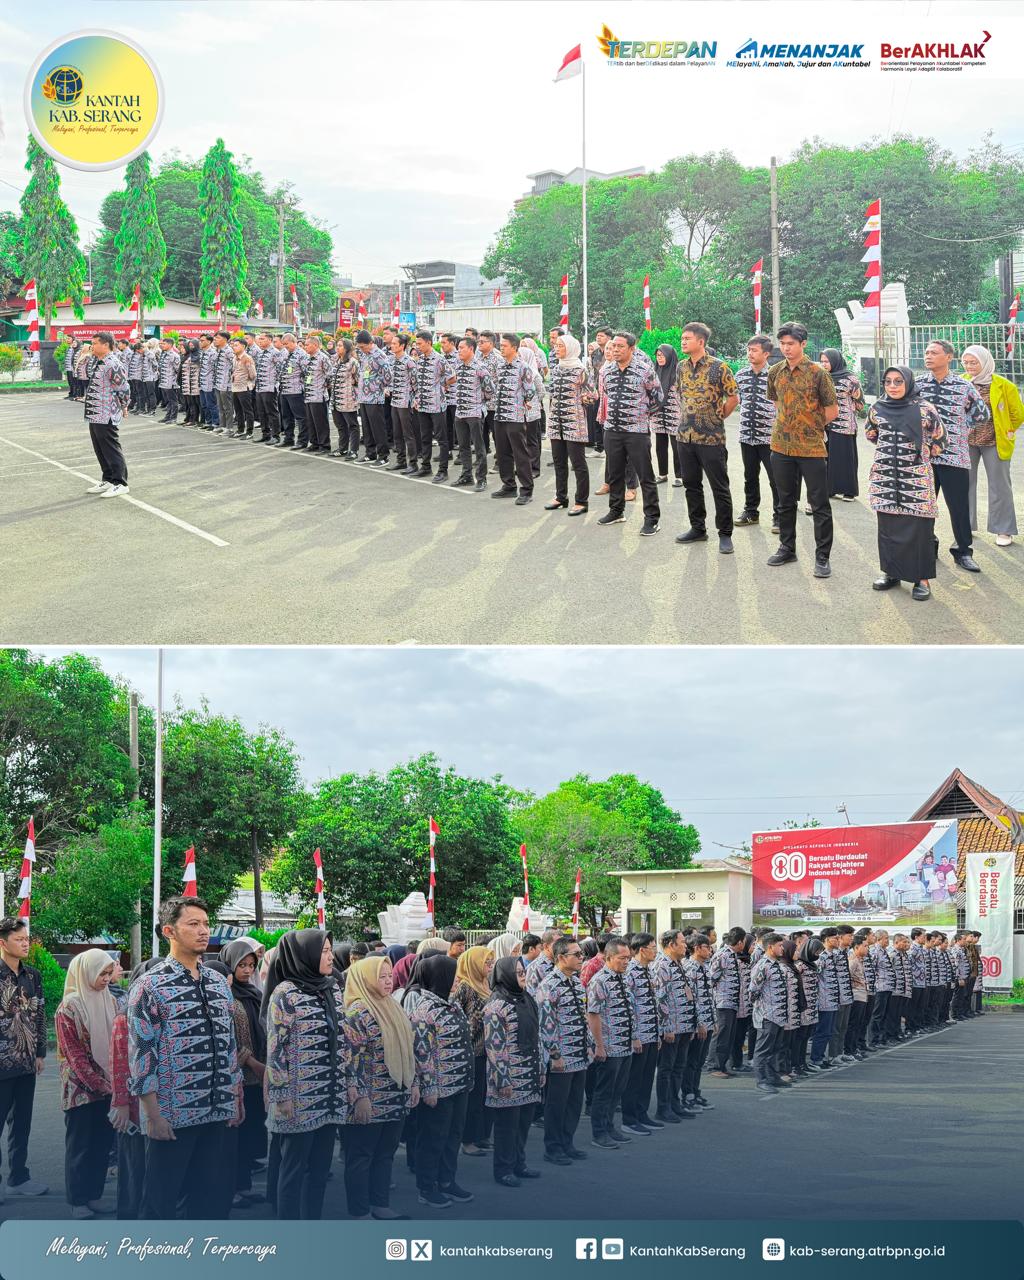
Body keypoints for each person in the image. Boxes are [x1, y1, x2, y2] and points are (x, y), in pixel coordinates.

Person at [127, 897, 240, 1219]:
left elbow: (229, 1045)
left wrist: (233, 1098)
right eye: (194, 924)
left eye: (206, 923)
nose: (204, 931)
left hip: (217, 1110)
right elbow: (141, 1053)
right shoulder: (150, 985)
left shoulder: (219, 983)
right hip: (172, 1115)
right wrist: (152, 1114)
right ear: (169, 931)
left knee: (212, 1200)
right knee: (160, 1201)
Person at [263, 931, 353, 1220]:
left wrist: (349, 1082)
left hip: (330, 1095)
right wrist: (281, 1095)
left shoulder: (331, 989)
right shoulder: (285, 994)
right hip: (297, 1098)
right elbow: (276, 1049)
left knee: (319, 1169)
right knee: (292, 1169)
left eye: (330, 950)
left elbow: (343, 1038)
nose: (330, 956)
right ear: (307, 956)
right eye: (324, 951)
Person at [343, 955, 418, 1220]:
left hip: (395, 1094)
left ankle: (380, 1204)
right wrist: (359, 1096)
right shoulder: (357, 1012)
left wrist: (413, 1083)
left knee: (385, 1154)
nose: (388, 982)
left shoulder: (392, 1006)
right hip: (370, 1098)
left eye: (390, 976)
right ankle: (360, 1210)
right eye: (381, 977)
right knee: (361, 1155)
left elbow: (408, 1049)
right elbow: (351, 1059)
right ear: (365, 980)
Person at [865, 366, 947, 601]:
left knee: (919, 530)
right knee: (888, 528)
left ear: (908, 383)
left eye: (898, 381)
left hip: (916, 478)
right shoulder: (877, 408)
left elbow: (941, 439)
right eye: (888, 382)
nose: (892, 386)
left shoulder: (924, 409)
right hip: (886, 479)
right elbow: (871, 434)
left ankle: (922, 579)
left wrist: (915, 457)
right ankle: (891, 573)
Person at [766, 321, 839, 577]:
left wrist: (809, 427)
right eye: (783, 344)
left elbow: (832, 410)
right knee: (785, 501)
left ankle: (822, 557)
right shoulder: (775, 371)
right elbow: (777, 404)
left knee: (819, 503)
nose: (786, 348)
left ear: (803, 344)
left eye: (791, 344)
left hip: (811, 448)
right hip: (781, 447)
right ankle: (787, 548)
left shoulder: (819, 373)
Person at [402, 954, 474, 1207]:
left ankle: (446, 1180)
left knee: (452, 1136)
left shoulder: (450, 1004)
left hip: (459, 1084)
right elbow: (422, 1053)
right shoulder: (425, 1011)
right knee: (433, 1139)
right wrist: (429, 1087)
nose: (458, 980)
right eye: (454, 976)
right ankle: (426, 1186)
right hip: (438, 1088)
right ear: (441, 977)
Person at [917, 339, 990, 573]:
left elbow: (982, 415)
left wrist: (960, 427)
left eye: (934, 353)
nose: (928, 356)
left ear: (948, 357)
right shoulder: (917, 385)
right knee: (923, 505)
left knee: (958, 506)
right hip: (923, 457)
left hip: (954, 456)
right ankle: (928, 546)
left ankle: (963, 551)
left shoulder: (963, 386)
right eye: (927, 352)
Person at [54, 949, 117, 1219]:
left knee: (102, 1144)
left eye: (107, 973)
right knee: (81, 1146)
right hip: (80, 1091)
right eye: (101, 973)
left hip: (109, 1086)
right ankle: (78, 1200)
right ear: (86, 971)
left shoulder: (110, 1000)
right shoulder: (69, 1006)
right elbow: (74, 1054)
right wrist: (100, 1084)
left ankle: (94, 1195)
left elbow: (117, 1043)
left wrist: (114, 1083)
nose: (106, 978)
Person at [674, 322, 739, 554]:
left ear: (701, 342)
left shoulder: (719, 367)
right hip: (685, 437)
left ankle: (725, 534)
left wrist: (718, 416)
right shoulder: (681, 367)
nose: (683, 341)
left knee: (719, 487)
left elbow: (733, 397)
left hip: (711, 438)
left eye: (687, 338)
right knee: (691, 485)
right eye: (682, 338)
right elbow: (678, 393)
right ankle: (697, 528)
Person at [0, 917, 48, 1203]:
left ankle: (18, 1178)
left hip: (27, 1061)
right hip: (1, 1062)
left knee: (22, 1124)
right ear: (3, 943)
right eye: (19, 939)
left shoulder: (33, 975)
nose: (25, 943)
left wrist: (41, 1052)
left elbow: (39, 1013)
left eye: (26, 938)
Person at [596, 331, 663, 535]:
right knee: (615, 474)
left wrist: (639, 416)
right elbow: (606, 396)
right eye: (613, 346)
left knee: (645, 476)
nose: (615, 350)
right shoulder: (607, 372)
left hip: (637, 432)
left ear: (632, 349)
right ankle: (616, 511)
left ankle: (651, 519)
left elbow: (657, 398)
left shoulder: (644, 370)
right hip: (612, 431)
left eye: (620, 347)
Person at [484, 956, 543, 1186]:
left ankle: (519, 1163)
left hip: (528, 1071)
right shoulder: (496, 1005)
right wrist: (502, 1078)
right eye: (518, 972)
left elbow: (537, 1036)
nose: (523, 975)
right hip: (508, 1076)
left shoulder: (526, 999)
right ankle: (503, 1169)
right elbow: (494, 1046)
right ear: (505, 974)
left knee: (522, 1124)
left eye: (523, 971)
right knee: (507, 1127)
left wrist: (540, 1068)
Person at [220, 939, 268, 1208]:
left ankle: (244, 1185)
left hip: (256, 1077)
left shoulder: (252, 993)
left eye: (251, 965)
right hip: (239, 1075)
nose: (247, 970)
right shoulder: (226, 995)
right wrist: (252, 1063)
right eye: (242, 965)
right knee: (235, 1137)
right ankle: (233, 1189)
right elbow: (230, 1040)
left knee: (250, 1132)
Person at [536, 937, 592, 1165]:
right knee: (556, 1104)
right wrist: (555, 1054)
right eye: (576, 955)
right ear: (561, 958)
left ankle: (567, 1142)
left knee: (574, 1102)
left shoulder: (577, 982)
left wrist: (589, 1044)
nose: (581, 958)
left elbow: (584, 1017)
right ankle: (553, 1147)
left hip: (579, 1053)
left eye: (581, 954)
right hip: (562, 1056)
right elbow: (546, 1024)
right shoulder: (549, 985)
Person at [961, 344, 1022, 549]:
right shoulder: (961, 382)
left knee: (1000, 486)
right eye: (966, 362)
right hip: (967, 442)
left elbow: (1017, 414)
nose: (969, 366)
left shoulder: (1004, 385)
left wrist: (1006, 430)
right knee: (964, 484)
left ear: (985, 361)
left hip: (995, 441)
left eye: (974, 362)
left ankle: (1003, 529)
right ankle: (965, 525)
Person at [586, 937, 639, 1149]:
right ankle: (599, 1133)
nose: (626, 961)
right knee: (604, 1092)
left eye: (628, 957)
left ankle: (609, 1127)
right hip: (609, 1046)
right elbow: (593, 1015)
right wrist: (599, 1045)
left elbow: (630, 1010)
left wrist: (634, 1036)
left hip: (624, 1044)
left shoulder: (624, 978)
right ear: (608, 958)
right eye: (622, 958)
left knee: (618, 1090)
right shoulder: (600, 981)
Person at [733, 336, 779, 531]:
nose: (750, 354)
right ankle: (751, 512)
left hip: (769, 437)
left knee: (776, 479)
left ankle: (780, 516)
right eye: (749, 350)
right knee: (750, 476)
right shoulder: (741, 375)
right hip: (747, 435)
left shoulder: (775, 376)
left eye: (754, 350)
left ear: (766, 354)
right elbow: (736, 399)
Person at [451, 946, 494, 1157]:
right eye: (486, 962)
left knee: (484, 1096)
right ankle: (467, 1140)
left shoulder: (485, 984)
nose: (490, 966)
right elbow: (457, 1018)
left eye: (491, 962)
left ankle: (480, 1135)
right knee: (473, 1099)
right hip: (472, 1052)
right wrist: (476, 1020)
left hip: (487, 1050)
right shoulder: (465, 987)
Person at [545, 333, 592, 514]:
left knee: (578, 463)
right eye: (556, 346)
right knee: (559, 462)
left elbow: (593, 394)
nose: (557, 348)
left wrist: (582, 399)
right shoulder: (556, 369)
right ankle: (560, 497)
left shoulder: (581, 370)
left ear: (571, 348)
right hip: (556, 421)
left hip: (574, 421)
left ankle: (581, 501)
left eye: (560, 346)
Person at [649, 930, 694, 1123]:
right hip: (672, 1027)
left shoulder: (678, 963)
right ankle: (663, 1108)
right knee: (666, 1069)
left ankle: (675, 1103)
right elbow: (660, 998)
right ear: (671, 945)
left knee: (679, 1067)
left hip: (683, 1024)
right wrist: (666, 1027)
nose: (686, 945)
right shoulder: (662, 965)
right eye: (682, 942)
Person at [620, 933, 663, 1134]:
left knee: (647, 1077)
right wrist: (634, 1035)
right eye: (653, 947)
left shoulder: (650, 970)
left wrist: (658, 1032)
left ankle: (642, 1113)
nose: (655, 951)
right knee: (634, 1078)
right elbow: (629, 1007)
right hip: (639, 1036)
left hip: (652, 1033)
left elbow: (655, 1004)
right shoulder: (630, 972)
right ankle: (629, 1119)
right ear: (642, 949)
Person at [491, 333, 539, 506]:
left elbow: (530, 389)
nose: (501, 348)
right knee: (502, 452)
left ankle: (526, 490)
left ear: (514, 347)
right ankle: (508, 485)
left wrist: (525, 402)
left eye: (504, 345)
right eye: (501, 345)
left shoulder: (523, 367)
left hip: (516, 416)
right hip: (500, 414)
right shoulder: (500, 366)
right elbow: (495, 385)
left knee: (520, 454)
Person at [81, 332, 131, 499]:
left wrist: (124, 406)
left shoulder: (113, 364)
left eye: (94, 343)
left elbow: (123, 387)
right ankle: (108, 479)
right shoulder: (99, 361)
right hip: (95, 412)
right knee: (100, 448)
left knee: (111, 448)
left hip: (107, 412)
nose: (91, 346)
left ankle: (120, 483)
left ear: (106, 345)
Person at [749, 933, 798, 1095]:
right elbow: (753, 992)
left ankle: (772, 1076)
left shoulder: (775, 964)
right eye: (779, 945)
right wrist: (762, 1008)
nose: (782, 948)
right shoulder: (762, 965)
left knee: (775, 1048)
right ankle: (762, 1080)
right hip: (767, 1014)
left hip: (778, 1014)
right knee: (763, 1049)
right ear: (770, 947)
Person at [819, 348, 865, 500]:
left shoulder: (850, 379)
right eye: (822, 361)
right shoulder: (822, 377)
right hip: (826, 423)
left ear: (835, 361)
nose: (824, 364)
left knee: (845, 459)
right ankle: (830, 489)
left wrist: (847, 410)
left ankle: (848, 491)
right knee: (828, 458)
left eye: (827, 361)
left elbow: (860, 403)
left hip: (845, 425)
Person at [708, 926, 750, 1078]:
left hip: (732, 1003)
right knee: (722, 1035)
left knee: (729, 1036)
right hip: (723, 1002)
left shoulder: (732, 955)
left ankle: (723, 1065)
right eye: (744, 941)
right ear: (739, 942)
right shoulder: (723, 955)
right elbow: (712, 978)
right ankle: (715, 1066)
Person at [681, 935, 715, 1112]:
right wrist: (700, 1023)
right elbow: (691, 1000)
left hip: (708, 1021)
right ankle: (688, 1094)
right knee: (691, 1061)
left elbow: (709, 997)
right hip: (696, 1023)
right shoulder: (689, 968)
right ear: (696, 948)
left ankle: (695, 1090)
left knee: (700, 1061)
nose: (709, 950)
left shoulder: (706, 967)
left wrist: (712, 1020)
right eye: (706, 947)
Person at [412, 330, 449, 481]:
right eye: (417, 344)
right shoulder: (420, 360)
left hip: (437, 405)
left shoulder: (440, 359)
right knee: (425, 437)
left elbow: (452, 376)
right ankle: (426, 467)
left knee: (441, 439)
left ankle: (443, 470)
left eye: (420, 344)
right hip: (422, 405)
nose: (418, 346)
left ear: (429, 342)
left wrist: (440, 386)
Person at [354, 330, 391, 466]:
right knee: (367, 428)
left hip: (375, 397)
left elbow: (388, 376)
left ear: (371, 343)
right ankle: (370, 454)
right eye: (359, 347)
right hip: (363, 397)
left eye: (363, 347)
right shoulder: (365, 355)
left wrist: (377, 386)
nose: (361, 350)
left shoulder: (379, 356)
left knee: (378, 428)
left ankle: (383, 456)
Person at [651, 343, 683, 486]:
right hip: (658, 413)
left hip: (674, 413)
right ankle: (662, 474)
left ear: (670, 356)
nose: (660, 358)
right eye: (658, 355)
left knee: (677, 446)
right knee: (660, 445)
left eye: (662, 355)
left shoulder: (677, 373)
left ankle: (680, 476)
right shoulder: (654, 371)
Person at [388, 333, 419, 472]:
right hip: (395, 401)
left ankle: (413, 463)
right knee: (397, 433)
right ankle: (401, 461)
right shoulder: (392, 360)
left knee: (408, 434)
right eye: (392, 343)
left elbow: (416, 383)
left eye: (395, 344)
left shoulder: (409, 362)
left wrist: (415, 400)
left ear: (402, 346)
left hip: (405, 402)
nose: (392, 346)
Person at [792, 937, 820, 1074]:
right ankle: (795, 1064)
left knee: (806, 1036)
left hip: (812, 1006)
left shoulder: (812, 965)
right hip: (803, 1006)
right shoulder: (800, 965)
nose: (817, 955)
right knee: (800, 1037)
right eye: (816, 951)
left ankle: (802, 1063)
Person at [277, 333, 309, 450]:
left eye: (286, 344)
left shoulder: (302, 354)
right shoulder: (286, 353)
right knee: (286, 416)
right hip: (285, 390)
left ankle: (302, 441)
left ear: (293, 342)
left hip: (296, 391)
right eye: (284, 344)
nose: (285, 346)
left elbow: (306, 373)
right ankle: (288, 439)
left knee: (301, 417)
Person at [330, 337, 361, 459]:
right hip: (336, 399)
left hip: (348, 399)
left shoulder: (353, 362)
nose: (337, 348)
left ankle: (353, 450)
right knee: (340, 425)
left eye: (340, 346)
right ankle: (342, 448)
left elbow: (358, 380)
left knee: (352, 425)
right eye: (337, 345)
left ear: (347, 348)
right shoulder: (336, 361)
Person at [301, 336, 333, 454]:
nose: (305, 347)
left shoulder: (323, 358)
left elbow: (330, 374)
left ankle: (324, 446)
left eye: (307, 345)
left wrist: (325, 385)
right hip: (309, 395)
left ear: (315, 345)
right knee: (311, 421)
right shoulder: (307, 358)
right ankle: (314, 443)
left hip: (319, 395)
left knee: (321, 422)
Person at [252, 332, 282, 445]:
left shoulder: (275, 353)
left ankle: (276, 436)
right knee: (261, 412)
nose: (260, 341)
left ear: (270, 340)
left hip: (269, 387)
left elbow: (280, 369)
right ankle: (265, 434)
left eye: (262, 339)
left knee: (272, 412)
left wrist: (275, 383)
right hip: (260, 387)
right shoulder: (260, 353)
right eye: (259, 339)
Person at [867, 930, 894, 1047]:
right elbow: (872, 969)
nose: (887, 940)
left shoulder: (884, 951)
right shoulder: (875, 951)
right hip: (880, 987)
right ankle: (874, 1040)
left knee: (885, 1014)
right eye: (885, 938)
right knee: (877, 1015)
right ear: (879, 939)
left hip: (887, 986)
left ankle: (882, 1038)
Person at [229, 338, 257, 440]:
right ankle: (240, 430)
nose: (234, 347)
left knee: (247, 411)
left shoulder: (247, 358)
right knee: (238, 410)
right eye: (233, 345)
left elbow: (253, 375)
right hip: (235, 387)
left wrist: (246, 381)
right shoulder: (234, 358)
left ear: (243, 346)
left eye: (236, 345)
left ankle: (249, 432)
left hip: (244, 388)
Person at [198, 332, 219, 429]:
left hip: (210, 383)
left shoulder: (213, 353)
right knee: (204, 405)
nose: (200, 342)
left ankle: (215, 423)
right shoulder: (202, 352)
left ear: (209, 341)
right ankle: (208, 422)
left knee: (211, 404)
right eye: (200, 340)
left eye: (202, 341)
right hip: (202, 382)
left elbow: (216, 369)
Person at [156, 337, 180, 424]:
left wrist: (175, 381)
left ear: (170, 345)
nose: (162, 345)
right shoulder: (164, 354)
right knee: (168, 401)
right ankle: (168, 416)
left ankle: (173, 418)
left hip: (171, 382)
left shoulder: (174, 355)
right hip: (163, 382)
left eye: (164, 344)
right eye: (161, 344)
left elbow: (177, 370)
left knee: (173, 401)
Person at [180, 339, 202, 426]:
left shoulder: (197, 356)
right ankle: (189, 418)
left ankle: (195, 419)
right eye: (190, 345)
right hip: (187, 383)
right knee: (189, 403)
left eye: (192, 345)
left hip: (195, 383)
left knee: (196, 403)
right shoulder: (186, 357)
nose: (191, 347)